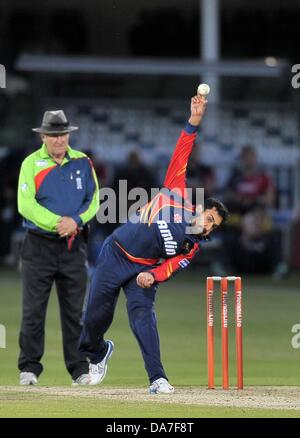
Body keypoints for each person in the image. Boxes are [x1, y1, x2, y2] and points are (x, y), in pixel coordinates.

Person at [79, 95, 229, 393]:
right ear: (200, 209)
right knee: (94, 317)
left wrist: (153, 276)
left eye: (213, 225)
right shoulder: (177, 192)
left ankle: (157, 378)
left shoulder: (191, 246)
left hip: (143, 272)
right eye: (209, 216)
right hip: (115, 253)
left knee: (143, 319)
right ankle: (98, 352)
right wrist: (194, 120)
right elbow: (182, 152)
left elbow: (171, 267)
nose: (207, 224)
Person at [17, 110, 99, 385]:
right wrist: (58, 223)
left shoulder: (83, 162)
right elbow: (25, 204)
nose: (59, 140)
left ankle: (79, 368)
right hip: (38, 246)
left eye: (63, 134)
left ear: (69, 135)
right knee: (33, 311)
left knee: (75, 312)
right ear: (43, 136)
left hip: (73, 247)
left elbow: (95, 200)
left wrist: (74, 221)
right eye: (53, 135)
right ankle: (29, 368)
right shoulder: (31, 163)